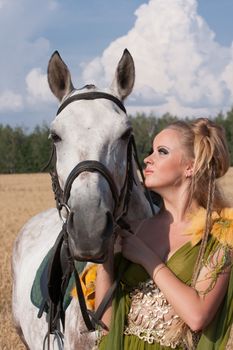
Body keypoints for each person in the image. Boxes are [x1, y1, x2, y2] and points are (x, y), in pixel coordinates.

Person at [95, 117, 233, 350]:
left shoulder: (221, 235)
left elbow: (197, 316)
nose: (148, 159)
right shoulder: (135, 230)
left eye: (162, 152)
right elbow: (106, 324)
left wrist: (147, 259)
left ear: (191, 166)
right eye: (151, 151)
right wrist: (104, 261)